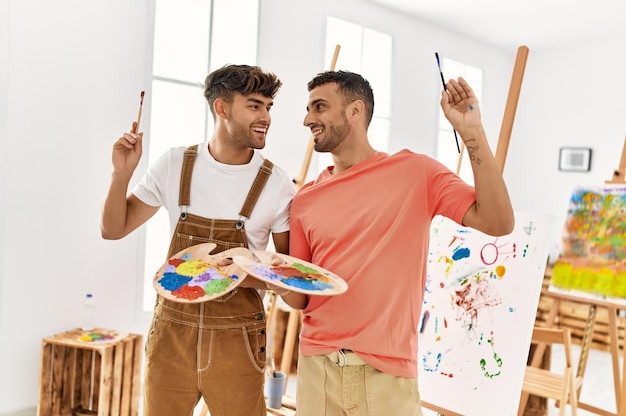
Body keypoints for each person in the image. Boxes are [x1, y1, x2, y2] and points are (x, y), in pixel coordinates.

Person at [288, 70, 515, 415]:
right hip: (317, 368)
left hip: (388, 375)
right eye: (308, 109)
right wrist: (268, 274)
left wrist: (472, 133)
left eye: (319, 107)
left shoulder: (416, 173)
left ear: (355, 111)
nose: (308, 119)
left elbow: (498, 221)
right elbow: (300, 297)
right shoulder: (305, 199)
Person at [100, 64, 303, 416]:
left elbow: (294, 289)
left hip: (237, 342)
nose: (266, 116)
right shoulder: (175, 164)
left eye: (269, 107)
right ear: (221, 108)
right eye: (255, 105)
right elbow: (113, 229)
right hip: (171, 338)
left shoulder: (278, 184)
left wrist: (239, 272)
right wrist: (121, 175)